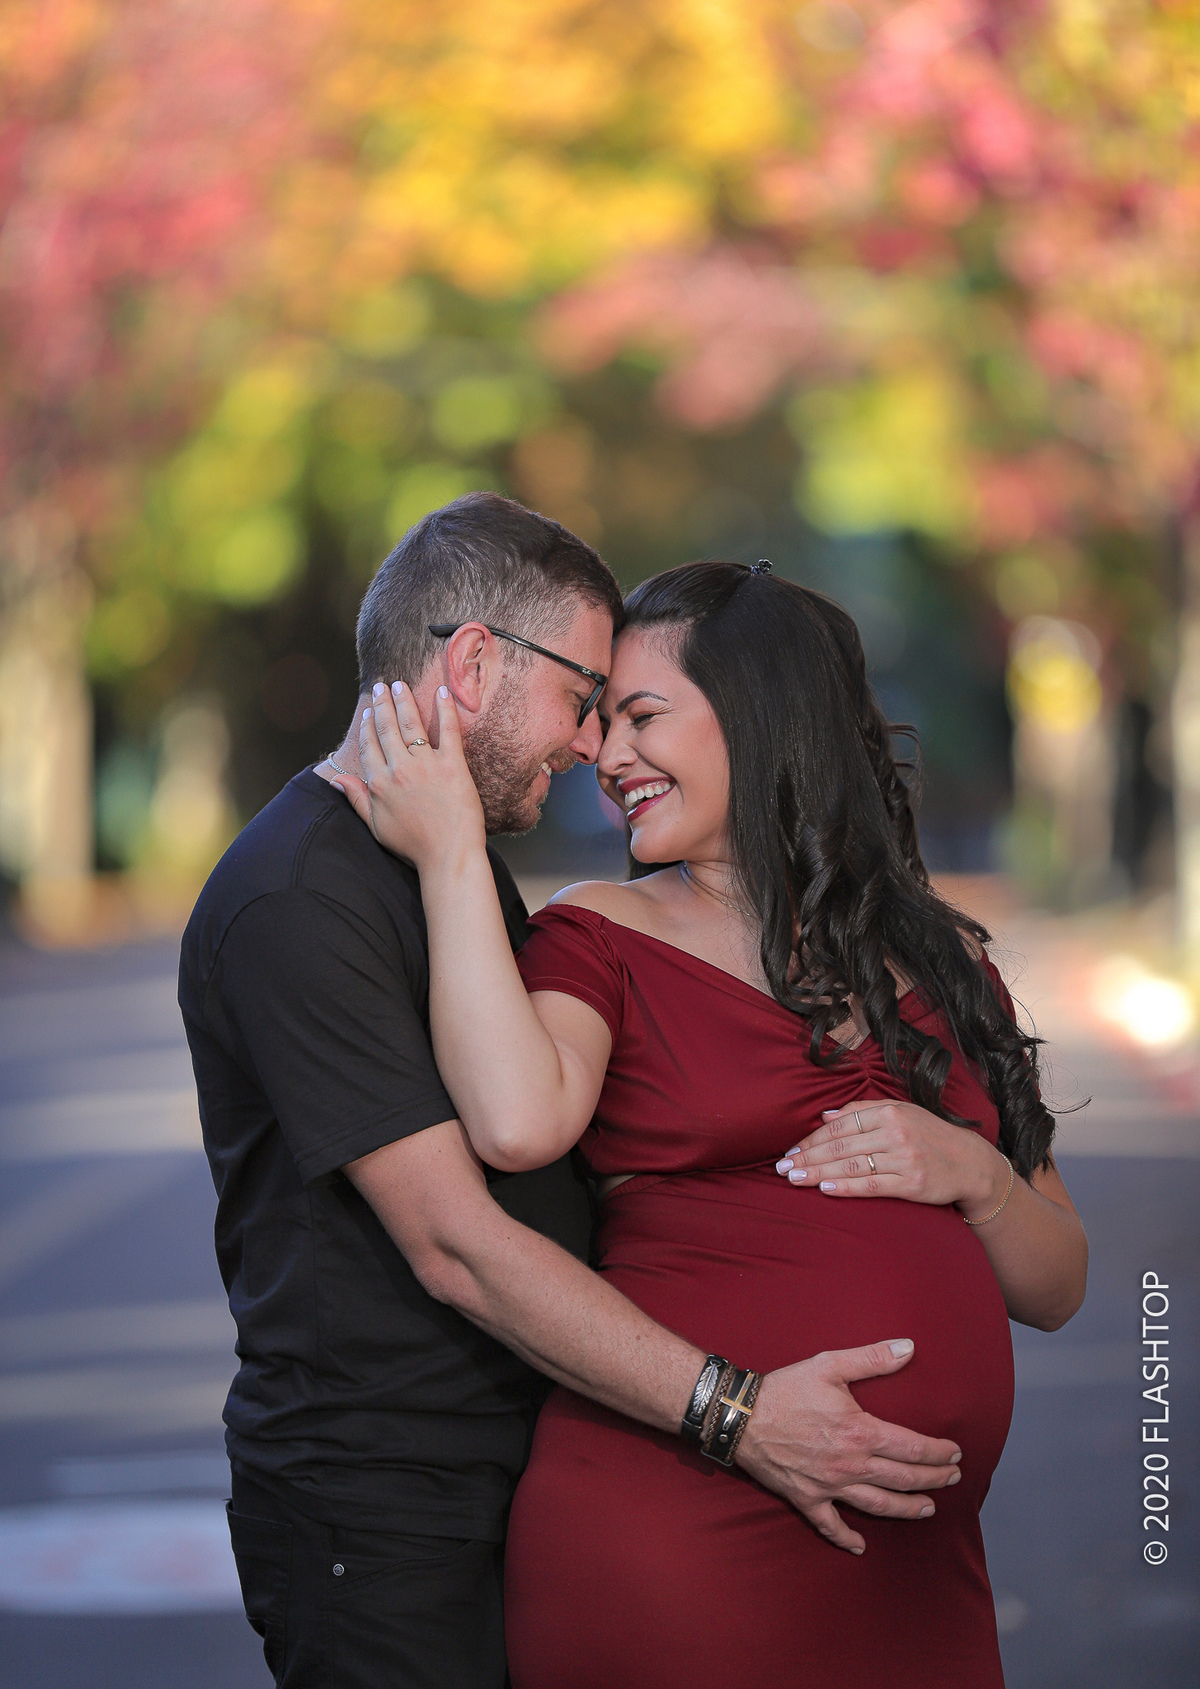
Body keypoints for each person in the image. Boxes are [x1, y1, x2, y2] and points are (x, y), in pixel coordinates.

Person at [179, 501, 967, 1689]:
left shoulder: (442, 855)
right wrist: (738, 1413)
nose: (592, 741)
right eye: (584, 694)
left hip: (509, 1469)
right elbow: (456, 1244)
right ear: (475, 662)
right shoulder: (299, 897)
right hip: (386, 1510)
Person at [348, 557, 1089, 1688]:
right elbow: (510, 1121)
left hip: (917, 1581)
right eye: (599, 723)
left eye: (642, 716)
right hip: (685, 1536)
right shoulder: (600, 932)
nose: (607, 756)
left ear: (765, 717)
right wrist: (453, 853)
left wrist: (975, 1175)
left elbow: (1059, 1285)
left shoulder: (943, 957)